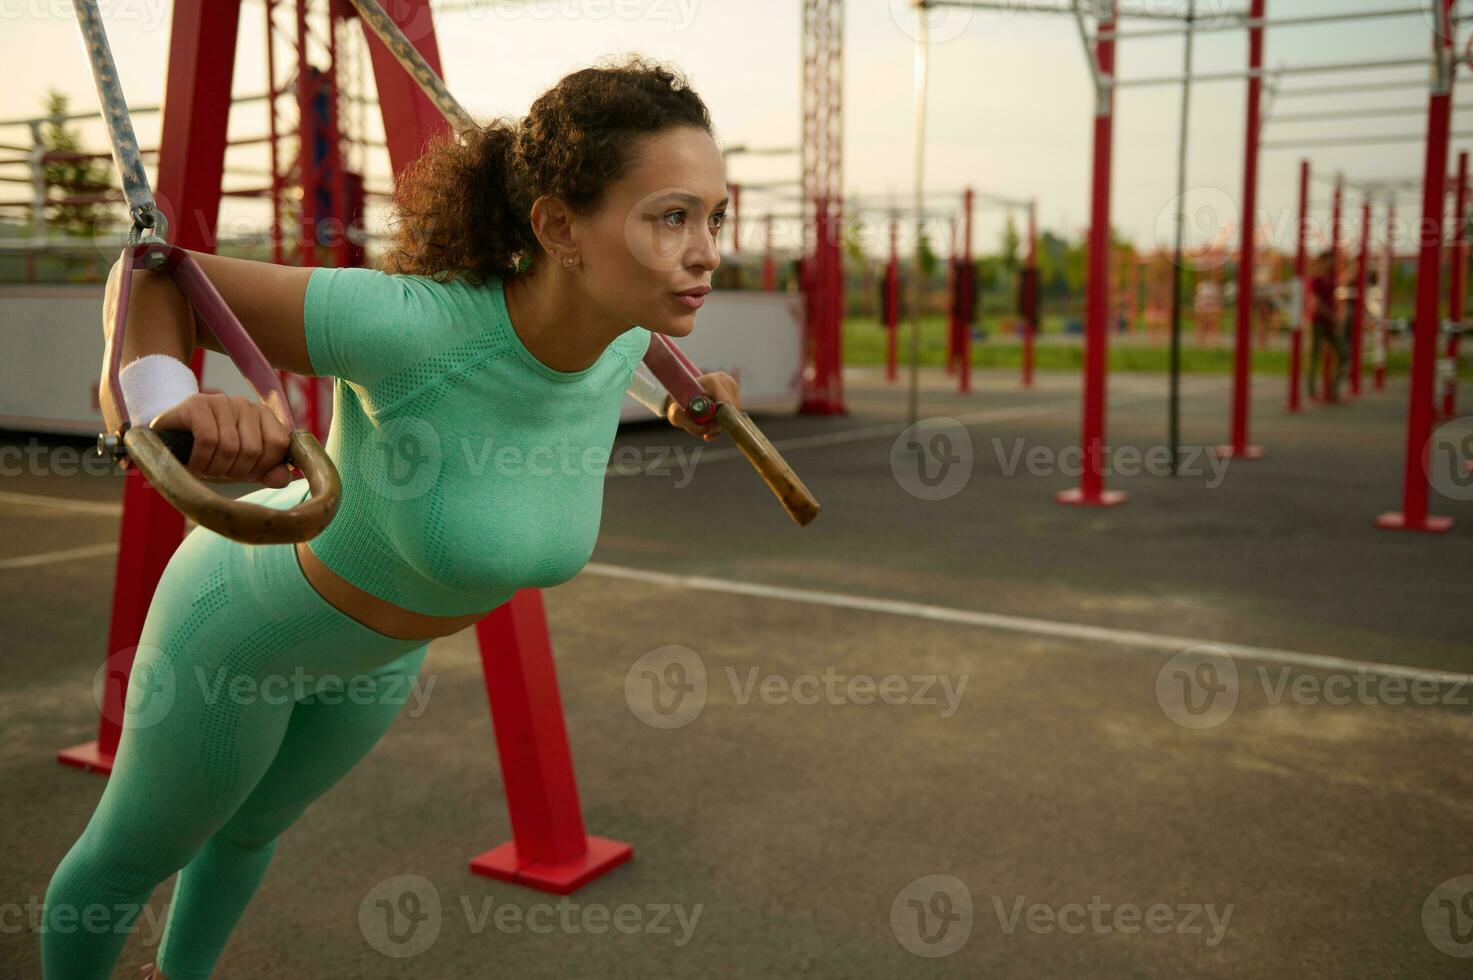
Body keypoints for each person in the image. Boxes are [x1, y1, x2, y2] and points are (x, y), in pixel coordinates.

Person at [42, 55, 737, 980]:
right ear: (560, 228)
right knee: (128, 860)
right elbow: (153, 275)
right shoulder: (413, 327)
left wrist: (687, 402)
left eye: (713, 216)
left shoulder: (620, 337)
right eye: (671, 218)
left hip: (377, 658)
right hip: (241, 632)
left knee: (249, 838)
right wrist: (175, 408)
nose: (706, 251)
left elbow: (584, 385)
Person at [1307, 250, 1341, 401]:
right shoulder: (1315, 279)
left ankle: (1333, 388)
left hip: (1329, 321)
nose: (1332, 263)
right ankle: (1312, 390)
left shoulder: (1331, 278)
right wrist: (1332, 316)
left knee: (1343, 352)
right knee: (1314, 355)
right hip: (1317, 321)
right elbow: (1316, 303)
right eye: (1330, 260)